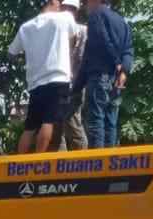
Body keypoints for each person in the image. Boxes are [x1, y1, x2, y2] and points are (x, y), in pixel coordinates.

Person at [9, 0, 78, 155]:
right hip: (57, 78)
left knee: (30, 127)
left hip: (35, 83)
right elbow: (74, 35)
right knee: (49, 121)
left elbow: (11, 53)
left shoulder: (26, 27)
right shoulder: (64, 18)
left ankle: (19, 162)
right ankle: (38, 159)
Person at [78, 0, 134, 149]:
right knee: (111, 122)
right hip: (117, 80)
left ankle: (97, 165)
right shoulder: (122, 21)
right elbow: (128, 50)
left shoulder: (96, 16)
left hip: (100, 75)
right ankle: (110, 164)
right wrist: (123, 72)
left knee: (96, 121)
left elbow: (100, 43)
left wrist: (77, 85)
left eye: (86, 1)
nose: (84, 5)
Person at [53, 0, 89, 151]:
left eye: (70, 9)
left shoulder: (83, 30)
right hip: (56, 83)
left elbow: (82, 58)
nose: (67, 11)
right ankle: (60, 166)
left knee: (72, 125)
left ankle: (83, 163)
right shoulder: (54, 30)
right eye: (65, 8)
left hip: (74, 83)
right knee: (56, 127)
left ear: (76, 11)